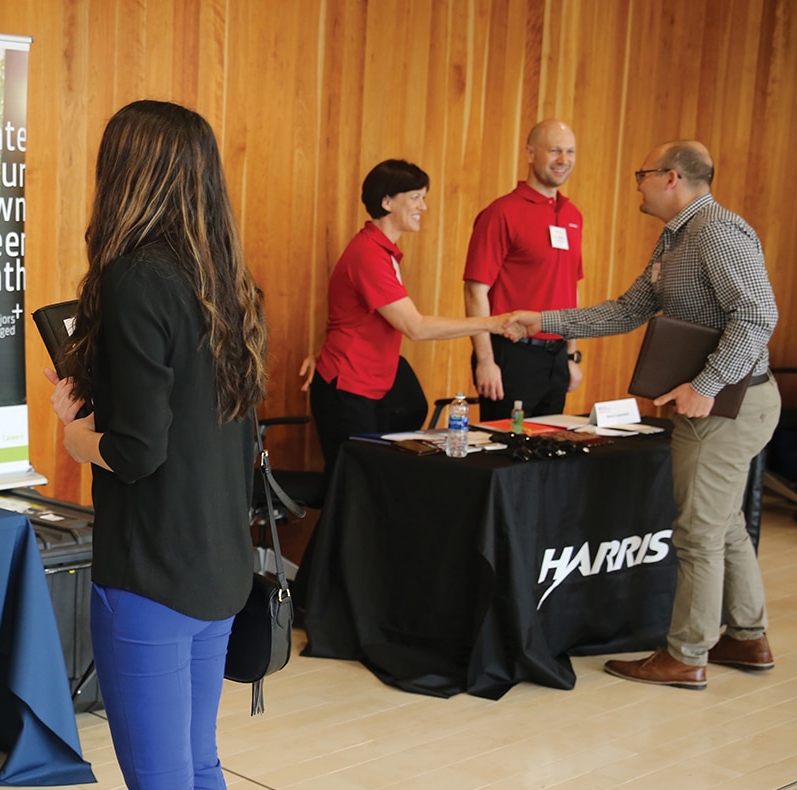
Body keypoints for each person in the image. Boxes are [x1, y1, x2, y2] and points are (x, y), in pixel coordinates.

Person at [46, 99, 268, 790]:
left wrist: (77, 438)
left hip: (150, 575)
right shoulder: (228, 283)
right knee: (197, 767)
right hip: (217, 565)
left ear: (126, 174)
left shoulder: (135, 277)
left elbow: (136, 451)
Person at [511, 141, 780, 688]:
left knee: (698, 534)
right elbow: (628, 309)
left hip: (729, 405)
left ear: (672, 177)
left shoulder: (716, 232)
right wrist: (542, 319)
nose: (637, 183)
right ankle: (748, 638)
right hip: (729, 401)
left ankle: (686, 655)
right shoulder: (678, 235)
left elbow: (757, 316)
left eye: (643, 174)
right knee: (723, 523)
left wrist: (706, 384)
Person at [304, 160, 522, 472]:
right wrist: (492, 322)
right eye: (415, 197)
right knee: (355, 490)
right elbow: (415, 327)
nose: (424, 206)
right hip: (348, 389)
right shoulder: (369, 254)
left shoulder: (383, 251)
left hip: (365, 386)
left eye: (424, 197)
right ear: (386, 201)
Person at [465, 119, 586, 419]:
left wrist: (572, 356)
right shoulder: (501, 213)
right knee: (506, 453)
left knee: (547, 453)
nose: (563, 160)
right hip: (512, 353)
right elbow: (475, 290)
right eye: (555, 150)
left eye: (570, 152)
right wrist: (485, 361)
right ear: (531, 154)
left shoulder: (573, 216)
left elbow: (572, 288)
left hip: (557, 355)